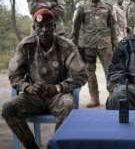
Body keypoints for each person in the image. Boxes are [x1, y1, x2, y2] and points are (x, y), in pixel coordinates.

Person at [2, 9, 87, 149]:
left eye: (48, 25)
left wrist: (57, 88)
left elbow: (81, 75)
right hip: (34, 97)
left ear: (54, 26)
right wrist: (27, 87)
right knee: (8, 109)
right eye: (40, 26)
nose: (44, 30)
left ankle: (55, 146)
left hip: (58, 95)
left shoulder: (66, 46)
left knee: (68, 105)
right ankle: (32, 147)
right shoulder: (25, 46)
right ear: (34, 28)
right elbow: (14, 75)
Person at [71, 0, 118, 107]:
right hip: (88, 45)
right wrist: (74, 46)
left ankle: (114, 97)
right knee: (90, 71)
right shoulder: (82, 8)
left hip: (105, 46)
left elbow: (113, 27)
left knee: (110, 71)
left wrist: (115, 44)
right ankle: (94, 98)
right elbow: (75, 29)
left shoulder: (107, 7)